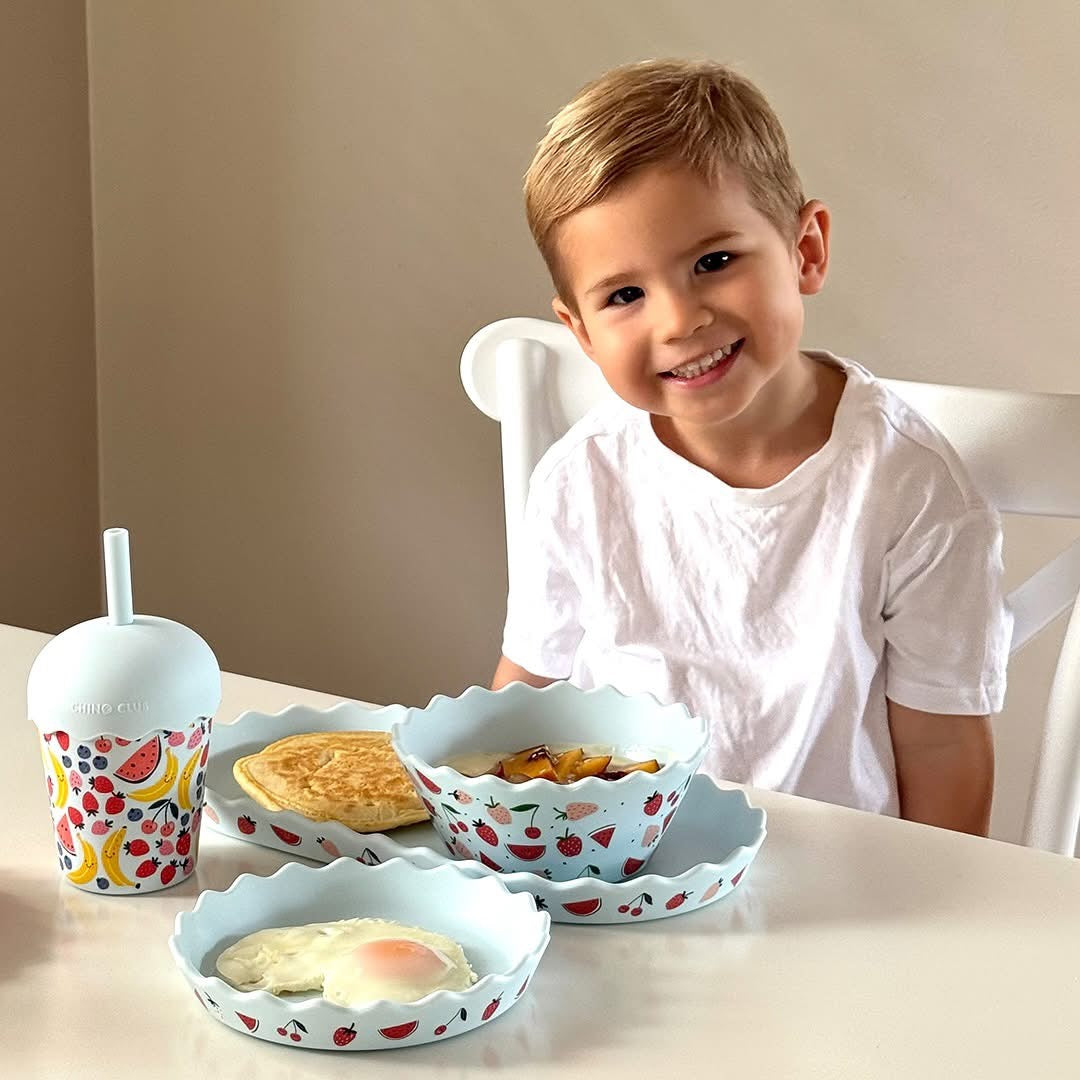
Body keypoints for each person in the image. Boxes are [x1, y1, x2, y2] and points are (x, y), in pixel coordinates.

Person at [491, 59, 1012, 835]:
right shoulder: (580, 476)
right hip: (609, 867)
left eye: (714, 262)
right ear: (582, 333)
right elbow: (529, 690)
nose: (679, 320)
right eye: (625, 296)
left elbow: (940, 745)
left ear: (806, 250)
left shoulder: (910, 488)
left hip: (829, 885)